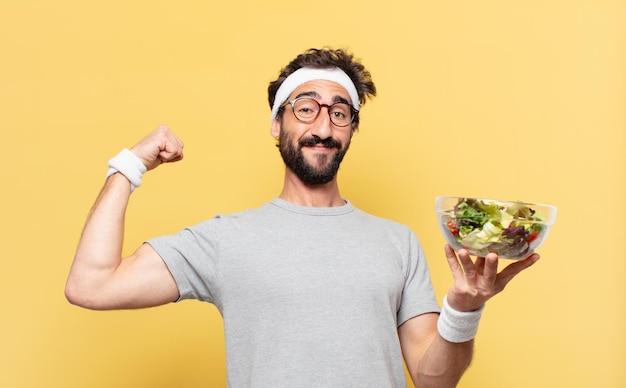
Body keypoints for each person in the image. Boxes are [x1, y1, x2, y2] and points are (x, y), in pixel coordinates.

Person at [65, 48, 540, 387]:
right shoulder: (227, 240)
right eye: (306, 109)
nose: (322, 128)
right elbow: (91, 284)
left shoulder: (397, 242)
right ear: (278, 124)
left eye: (339, 113)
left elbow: (433, 380)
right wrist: (130, 165)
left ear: (352, 129)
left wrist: (465, 308)